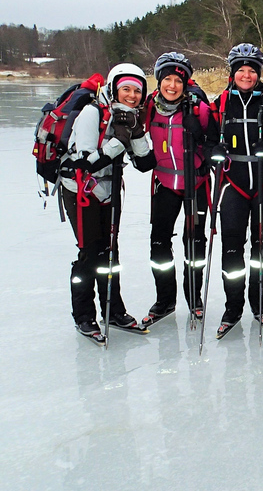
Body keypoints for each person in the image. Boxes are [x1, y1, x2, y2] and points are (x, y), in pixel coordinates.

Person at [60, 63, 153, 342]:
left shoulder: (128, 116)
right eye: (126, 88)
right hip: (81, 192)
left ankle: (113, 310)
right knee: (90, 253)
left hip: (110, 193)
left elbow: (146, 162)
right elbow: (87, 161)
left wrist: (134, 132)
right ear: (113, 88)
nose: (132, 95)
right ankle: (84, 316)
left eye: (137, 91)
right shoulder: (91, 112)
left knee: (110, 254)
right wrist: (120, 141)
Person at [205, 43, 263, 338]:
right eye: (242, 70)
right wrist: (214, 149)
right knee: (232, 250)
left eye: (252, 70)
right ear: (233, 73)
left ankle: (258, 303)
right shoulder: (220, 105)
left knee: (262, 251)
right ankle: (233, 307)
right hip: (232, 185)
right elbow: (206, 139)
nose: (247, 75)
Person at [142, 52, 211, 326]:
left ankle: (194, 299)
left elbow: (216, 144)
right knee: (158, 243)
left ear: (185, 83)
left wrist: (203, 144)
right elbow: (134, 133)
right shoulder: (148, 107)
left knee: (194, 243)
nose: (172, 85)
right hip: (164, 184)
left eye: (177, 80)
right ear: (159, 81)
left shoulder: (199, 109)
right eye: (167, 79)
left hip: (197, 185)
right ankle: (165, 300)